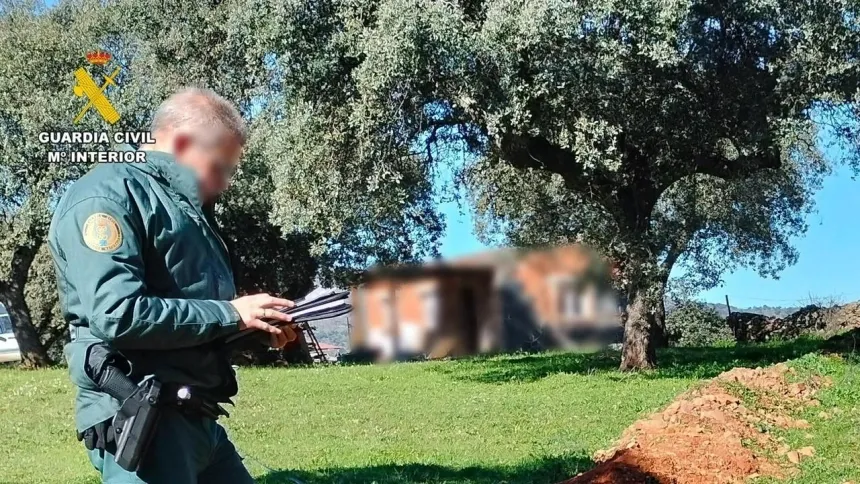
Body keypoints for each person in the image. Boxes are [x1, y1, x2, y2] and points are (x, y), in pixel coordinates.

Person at [48, 88, 292, 483]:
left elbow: (189, 320)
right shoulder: (106, 196)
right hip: (145, 418)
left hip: (198, 417)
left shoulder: (183, 209)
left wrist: (252, 328)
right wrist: (231, 313)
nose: (225, 183)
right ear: (180, 143)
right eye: (220, 168)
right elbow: (118, 313)